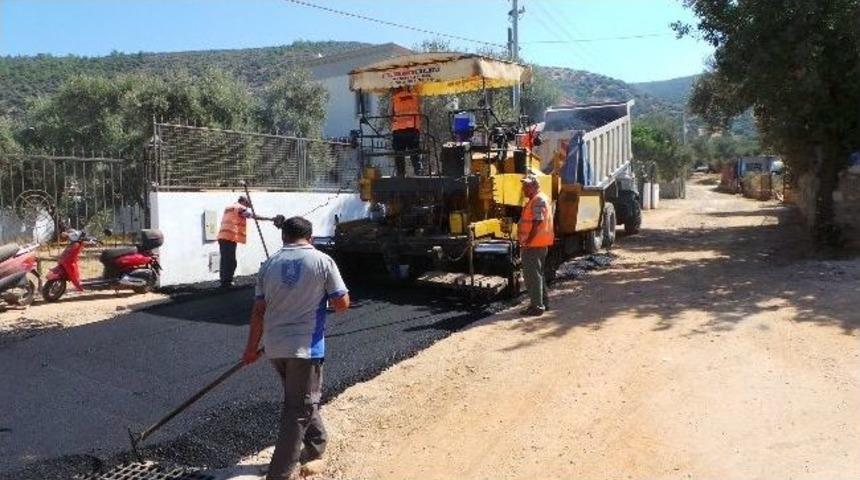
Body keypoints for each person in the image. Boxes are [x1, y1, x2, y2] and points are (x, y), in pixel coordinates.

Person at [241, 216, 350, 480]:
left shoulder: (268, 265)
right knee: (297, 408)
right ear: (310, 237)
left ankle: (317, 443)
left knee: (299, 399)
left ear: (283, 238)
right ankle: (280, 473)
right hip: (305, 348)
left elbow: (258, 312)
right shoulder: (323, 261)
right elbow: (342, 303)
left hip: (275, 347)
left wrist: (251, 349)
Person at [518, 175, 555, 316]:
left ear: (534, 186)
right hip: (538, 243)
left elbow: (537, 222)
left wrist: (528, 242)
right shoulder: (538, 199)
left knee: (532, 276)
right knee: (538, 275)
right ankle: (543, 303)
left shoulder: (538, 199)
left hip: (534, 245)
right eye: (523, 186)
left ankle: (537, 307)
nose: (523, 189)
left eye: (526, 186)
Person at [217, 195, 273, 288]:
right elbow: (252, 215)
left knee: (226, 260)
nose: (247, 207)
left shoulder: (230, 207)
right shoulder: (240, 208)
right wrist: (270, 218)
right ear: (243, 202)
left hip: (223, 236)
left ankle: (225, 281)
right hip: (229, 236)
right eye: (247, 204)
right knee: (230, 261)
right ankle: (226, 283)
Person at [391, 88, 423, 176]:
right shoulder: (414, 96)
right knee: (414, 151)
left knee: (399, 153)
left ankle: (400, 174)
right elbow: (420, 112)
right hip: (412, 128)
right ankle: (418, 171)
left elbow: (391, 114)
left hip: (398, 130)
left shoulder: (395, 98)